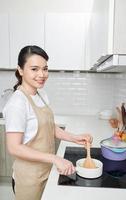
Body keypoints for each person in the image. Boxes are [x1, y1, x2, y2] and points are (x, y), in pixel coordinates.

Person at [3, 45, 93, 200]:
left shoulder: (41, 94)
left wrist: (74, 137)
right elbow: (14, 147)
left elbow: (48, 126)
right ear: (20, 70)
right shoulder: (17, 102)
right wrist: (55, 158)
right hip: (29, 179)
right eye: (34, 69)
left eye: (45, 69)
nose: (42, 74)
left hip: (46, 172)